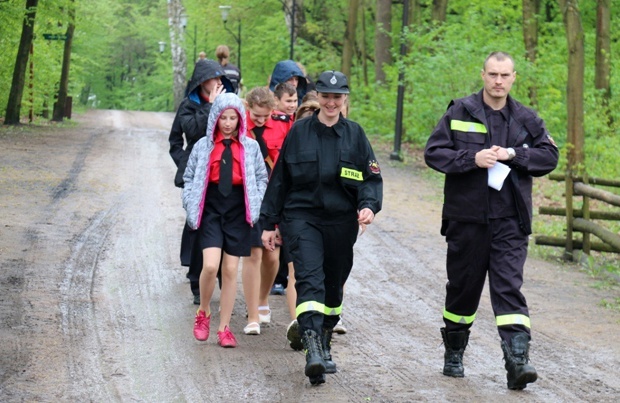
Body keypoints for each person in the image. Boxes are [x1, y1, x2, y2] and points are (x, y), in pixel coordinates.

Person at [424, 51, 559, 390]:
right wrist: (472, 158)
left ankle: (517, 361)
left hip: (510, 222)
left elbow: (549, 157)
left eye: (505, 75)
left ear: (514, 78)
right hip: (467, 219)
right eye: (493, 74)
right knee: (463, 290)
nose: (498, 81)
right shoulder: (460, 112)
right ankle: (454, 352)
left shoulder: (527, 119)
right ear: (483, 75)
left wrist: (515, 154)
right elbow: (434, 153)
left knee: (508, 288)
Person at [260, 70, 383, 385]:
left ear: (344, 99)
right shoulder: (299, 132)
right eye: (326, 96)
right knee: (310, 278)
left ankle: (325, 339)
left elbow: (371, 179)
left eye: (337, 96)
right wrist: (269, 223)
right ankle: (312, 347)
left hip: (341, 222)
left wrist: (368, 205)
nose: (331, 102)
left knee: (333, 283)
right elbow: (280, 181)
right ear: (318, 98)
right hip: (302, 218)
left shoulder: (355, 135)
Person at [182, 93, 268, 347]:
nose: (228, 123)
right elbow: (189, 177)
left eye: (233, 118)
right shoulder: (203, 146)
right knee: (210, 266)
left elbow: (262, 177)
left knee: (230, 270)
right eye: (223, 118)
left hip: (238, 210)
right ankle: (204, 312)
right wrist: (189, 203)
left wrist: (256, 200)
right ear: (215, 118)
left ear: (240, 119)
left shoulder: (250, 146)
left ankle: (224, 327)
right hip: (210, 207)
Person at [168, 59, 233, 304]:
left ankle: (220, 277)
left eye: (220, 79)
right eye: (213, 79)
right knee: (197, 226)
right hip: (197, 178)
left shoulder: (227, 102)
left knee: (225, 225)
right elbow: (186, 135)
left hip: (224, 173)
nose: (218, 83)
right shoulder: (189, 105)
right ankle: (197, 281)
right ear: (201, 82)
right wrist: (186, 165)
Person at [241, 86, 294, 335]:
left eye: (265, 115)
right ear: (248, 108)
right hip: (249, 196)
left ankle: (262, 298)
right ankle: (252, 315)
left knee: (272, 257)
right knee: (253, 254)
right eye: (256, 116)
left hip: (275, 198)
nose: (261, 120)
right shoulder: (239, 124)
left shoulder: (284, 125)